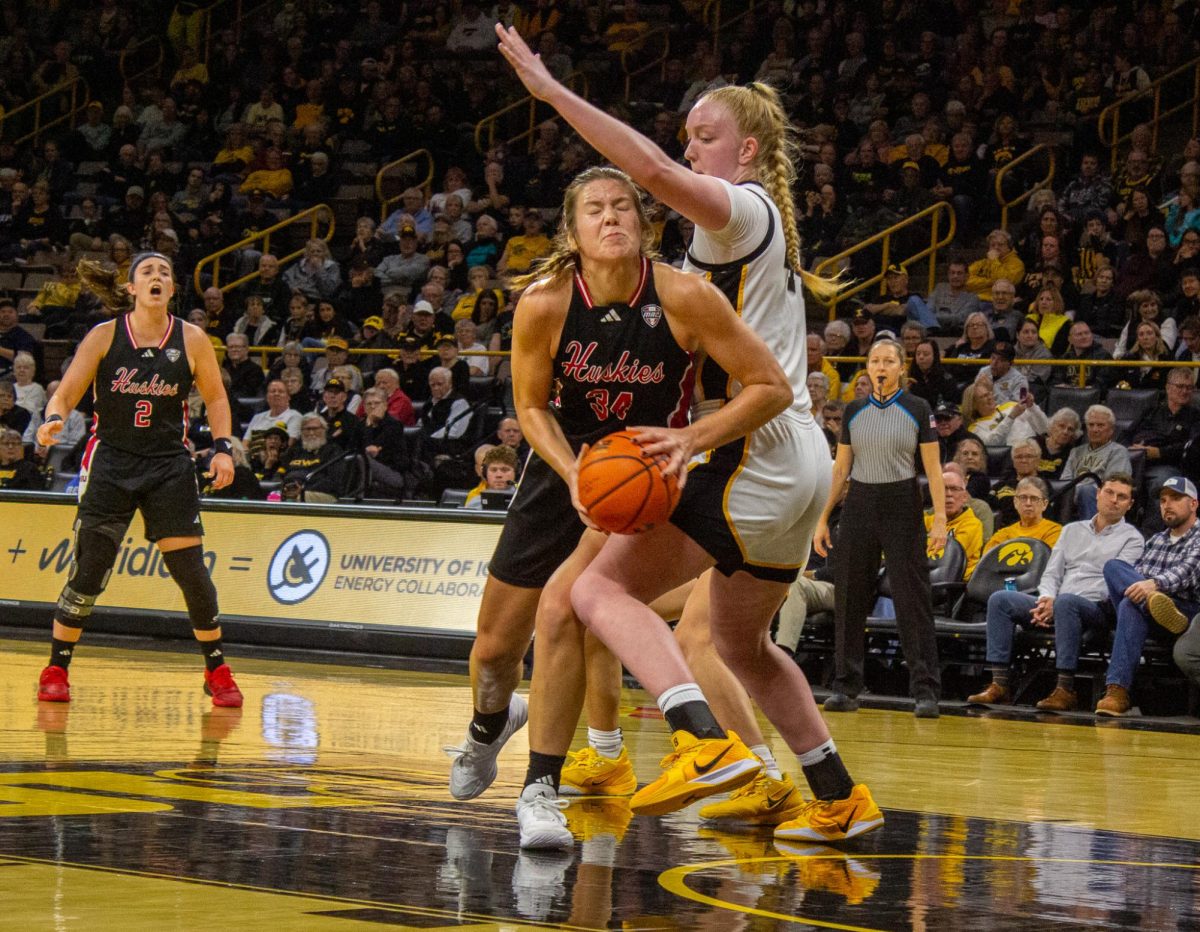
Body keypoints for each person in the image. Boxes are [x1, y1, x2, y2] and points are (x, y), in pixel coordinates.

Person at [497, 29, 883, 847]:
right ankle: (838, 796)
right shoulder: (735, 235)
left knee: (598, 593)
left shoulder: (741, 209)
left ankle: (703, 742)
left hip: (757, 450)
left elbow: (649, 174)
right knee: (739, 642)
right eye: (687, 137)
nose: (686, 150)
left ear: (747, 150)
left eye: (703, 136)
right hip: (799, 459)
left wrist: (553, 94)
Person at [442, 165, 789, 843]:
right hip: (565, 470)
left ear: (644, 224)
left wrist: (691, 439)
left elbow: (770, 386)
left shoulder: (686, 297)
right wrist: (573, 471)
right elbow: (531, 406)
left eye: (624, 207)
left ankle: (541, 786)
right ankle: (489, 725)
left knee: (564, 610)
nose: (611, 218)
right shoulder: (544, 303)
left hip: (645, 474)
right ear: (572, 231)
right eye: (595, 210)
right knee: (492, 652)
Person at [33, 253, 242, 707]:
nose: (157, 277)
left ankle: (217, 669)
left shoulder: (192, 338)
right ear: (131, 288)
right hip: (111, 461)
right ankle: (56, 666)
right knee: (91, 569)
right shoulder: (105, 335)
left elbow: (217, 396)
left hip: (168, 465)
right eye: (147, 272)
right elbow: (67, 391)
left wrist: (224, 447)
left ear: (171, 290)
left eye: (165, 273)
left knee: (191, 572)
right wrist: (53, 418)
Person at [815, 338, 946, 718]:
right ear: (867, 368)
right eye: (875, 361)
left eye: (889, 360)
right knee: (850, 596)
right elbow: (840, 470)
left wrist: (938, 518)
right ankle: (846, 685)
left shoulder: (918, 408)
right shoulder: (854, 410)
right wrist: (822, 518)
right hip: (859, 503)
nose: (881, 366)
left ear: (901, 368)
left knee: (911, 598)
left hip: (902, 503)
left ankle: (925, 690)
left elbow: (933, 470)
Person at [968, 474, 1144, 712]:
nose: (1114, 500)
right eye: (1109, 493)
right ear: (1098, 494)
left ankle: (1065, 688)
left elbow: (1113, 583)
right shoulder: (1071, 530)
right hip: (1058, 602)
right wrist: (1046, 599)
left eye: (1121, 497)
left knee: (1067, 602)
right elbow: (1052, 574)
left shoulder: (1133, 538)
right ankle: (999, 684)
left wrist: (1059, 601)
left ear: (1129, 505)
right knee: (1000, 599)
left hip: (1097, 609)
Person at [1097, 477, 1200, 715]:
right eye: (1163, 500)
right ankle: (1117, 692)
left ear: (1194, 504)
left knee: (1130, 603)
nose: (1167, 505)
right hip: (1153, 612)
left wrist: (1154, 585)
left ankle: (1118, 690)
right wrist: (1145, 591)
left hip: (1187, 611)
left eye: (1175, 498)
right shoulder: (1156, 540)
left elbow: (1187, 573)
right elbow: (1137, 579)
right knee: (1115, 569)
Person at [1061, 405, 1132, 519]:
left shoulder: (1119, 452)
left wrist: (1078, 491)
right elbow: (1065, 481)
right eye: (1091, 425)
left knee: (1087, 491)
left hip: (1100, 499)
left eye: (1100, 425)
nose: (1095, 429)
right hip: (1073, 497)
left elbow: (1114, 485)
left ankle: (1094, 533)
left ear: (1111, 430)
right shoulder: (1076, 452)